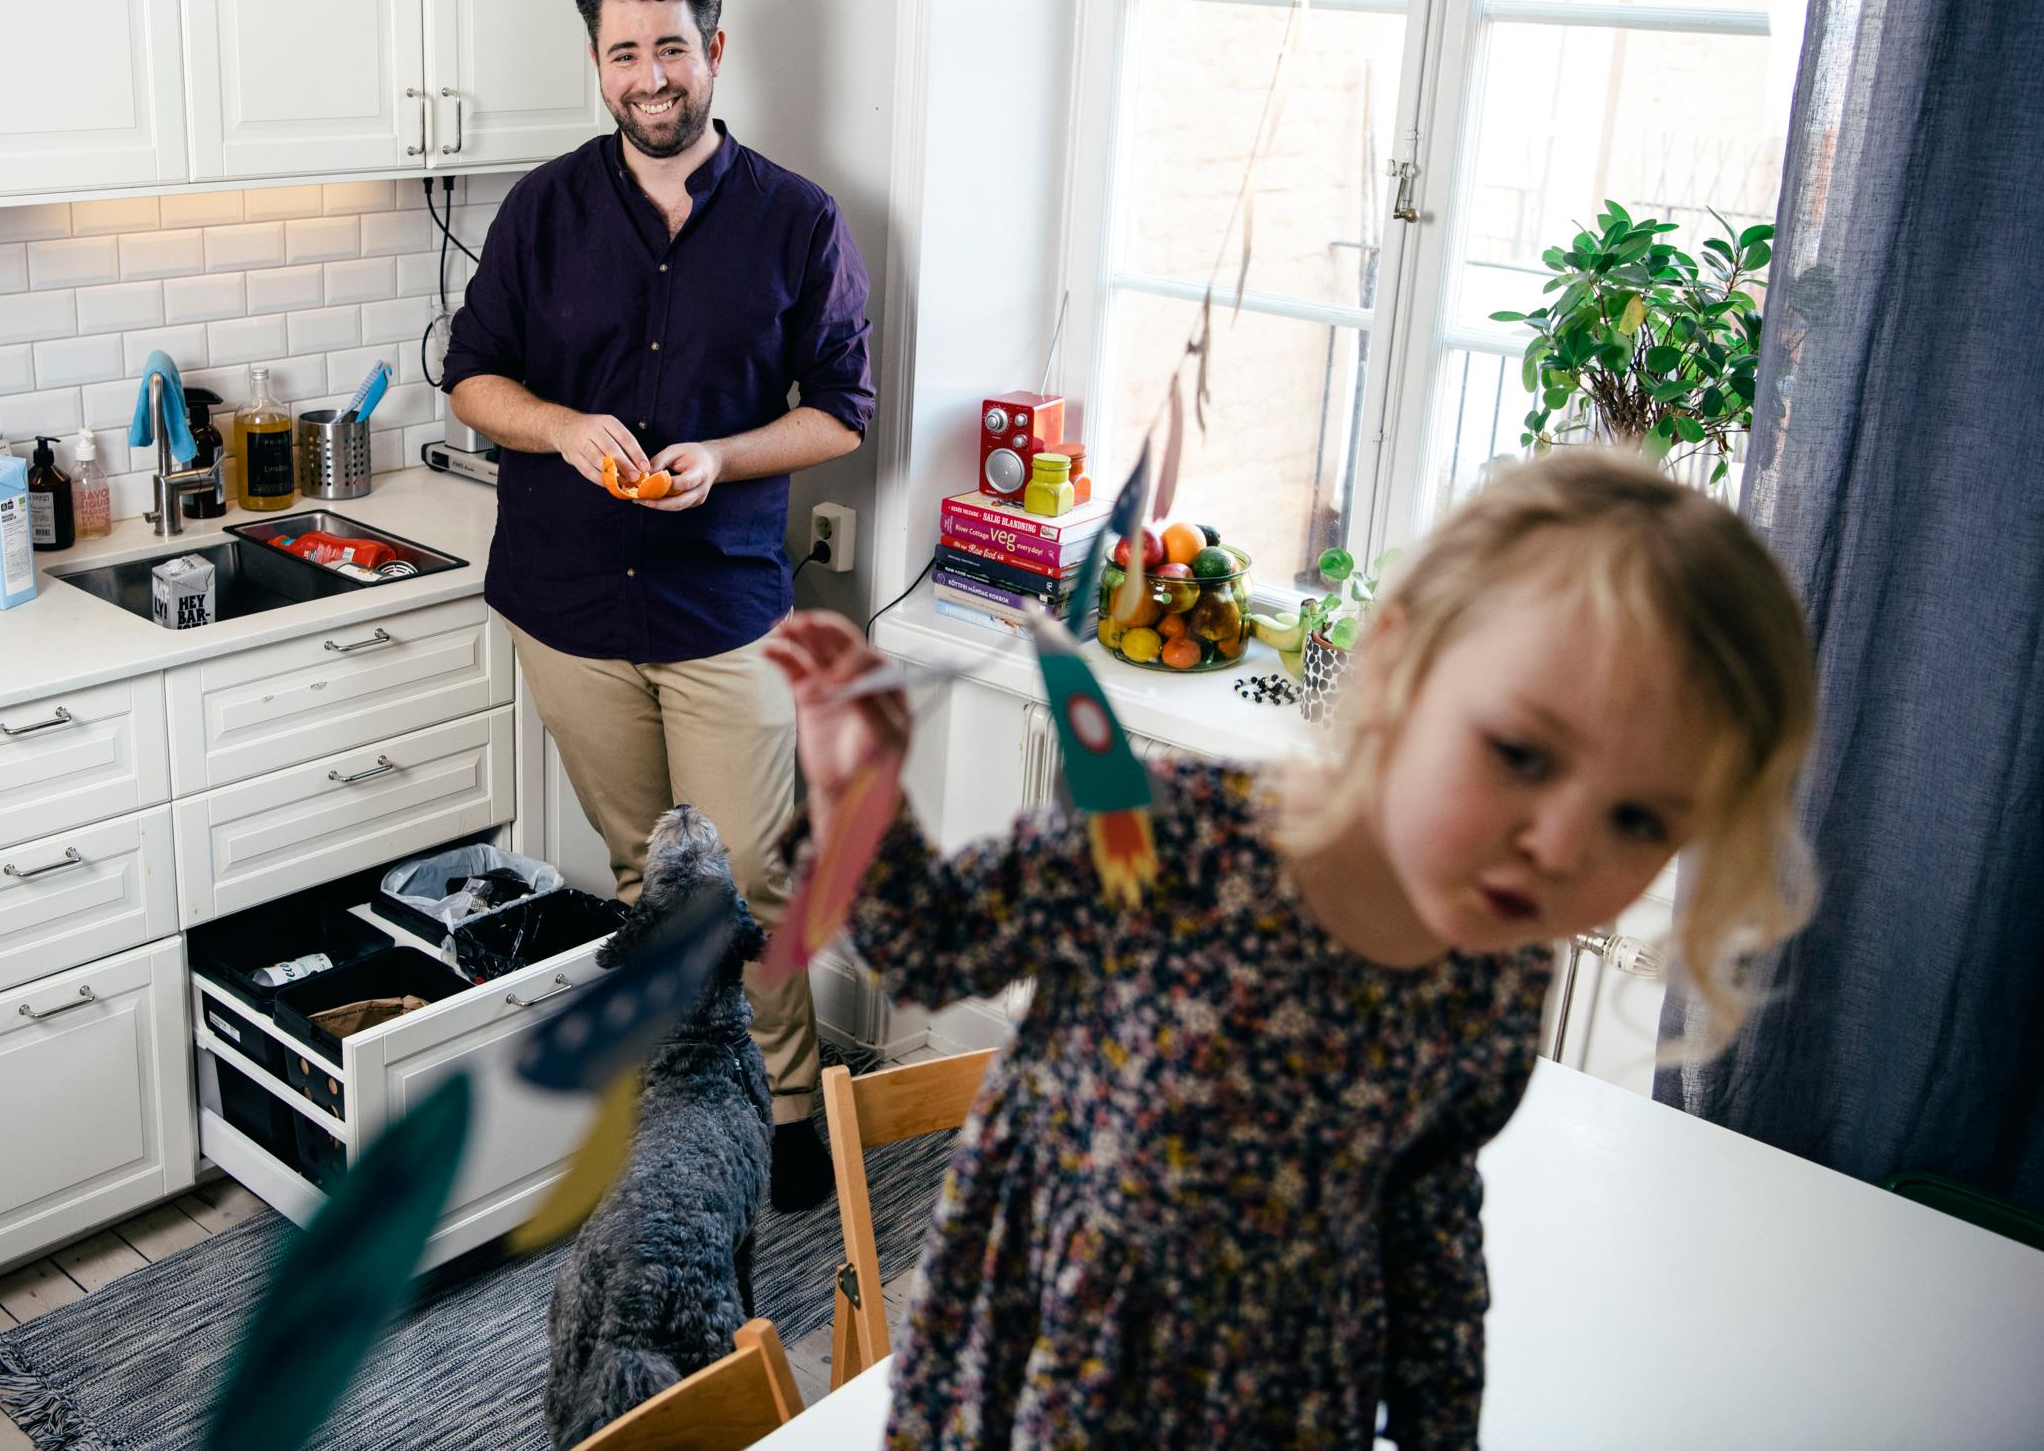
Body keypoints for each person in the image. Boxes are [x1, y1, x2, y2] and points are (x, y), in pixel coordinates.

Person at [764, 448, 1818, 1447]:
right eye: (1518, 753)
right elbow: (930, 947)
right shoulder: (1164, 839)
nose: (1555, 846)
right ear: (1400, 663)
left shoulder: (1497, 969)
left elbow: (1425, 1210)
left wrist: (1440, 1422)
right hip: (1053, 1365)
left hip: (1286, 1389)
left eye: (1638, 823)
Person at [442, 0, 875, 1210]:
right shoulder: (541, 208)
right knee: (644, 877)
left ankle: (786, 1107)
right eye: (622, 51)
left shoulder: (800, 220)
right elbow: (473, 378)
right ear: (596, 63)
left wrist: (723, 456)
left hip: (721, 604)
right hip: (566, 606)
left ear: (713, 51)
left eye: (670, 47)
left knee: (746, 876)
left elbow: (842, 410)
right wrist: (563, 425)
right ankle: (679, 1103)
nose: (649, 75)